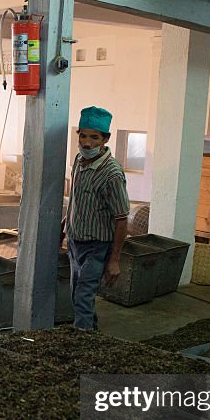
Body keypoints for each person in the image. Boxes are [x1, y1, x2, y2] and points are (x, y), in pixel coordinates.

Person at [63, 106, 130, 331]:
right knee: (77, 296)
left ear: (105, 139)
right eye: (83, 136)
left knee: (83, 297)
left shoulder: (111, 174)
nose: (87, 143)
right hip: (74, 243)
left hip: (96, 247)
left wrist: (114, 260)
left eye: (94, 137)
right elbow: (76, 200)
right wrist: (64, 229)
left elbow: (122, 220)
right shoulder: (78, 162)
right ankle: (93, 337)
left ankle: (83, 348)